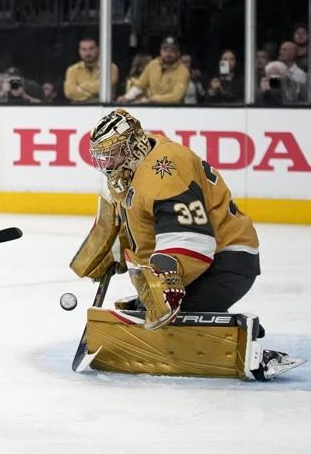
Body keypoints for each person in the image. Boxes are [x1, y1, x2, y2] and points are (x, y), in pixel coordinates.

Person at [83, 108, 302, 380]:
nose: (108, 162)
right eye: (103, 156)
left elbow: (191, 238)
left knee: (166, 319)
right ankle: (224, 327)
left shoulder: (164, 168)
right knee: (149, 311)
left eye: (113, 152)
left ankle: (250, 349)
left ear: (133, 146)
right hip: (200, 262)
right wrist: (112, 250)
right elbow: (136, 224)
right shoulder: (129, 171)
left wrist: (166, 279)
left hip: (228, 259)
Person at [117, 36, 190, 104]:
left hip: (174, 111)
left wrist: (152, 99)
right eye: (165, 50)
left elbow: (176, 97)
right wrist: (127, 97)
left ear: (178, 53)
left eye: (172, 51)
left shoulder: (183, 71)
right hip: (153, 109)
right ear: (160, 51)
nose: (168, 54)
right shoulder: (153, 64)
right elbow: (140, 85)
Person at [63, 37, 119, 103]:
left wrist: (83, 86)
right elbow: (69, 92)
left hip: (104, 110)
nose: (88, 53)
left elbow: (104, 88)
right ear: (79, 51)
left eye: (91, 49)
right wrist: (95, 95)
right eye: (84, 49)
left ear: (98, 49)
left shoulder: (110, 67)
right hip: (78, 110)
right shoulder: (72, 70)